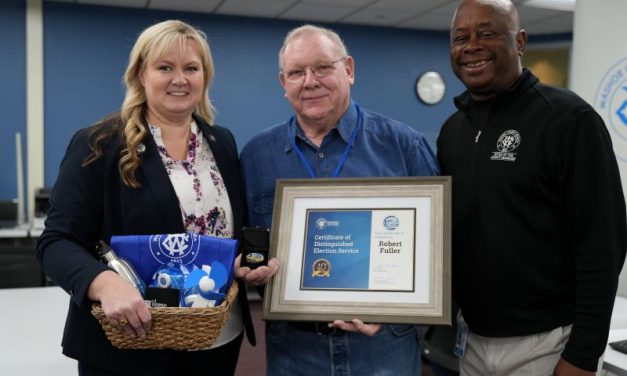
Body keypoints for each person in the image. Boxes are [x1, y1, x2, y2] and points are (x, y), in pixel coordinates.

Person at [37, 20, 258, 376]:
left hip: (216, 339)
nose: (180, 79)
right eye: (165, 67)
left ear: (205, 76)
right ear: (141, 74)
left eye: (191, 68)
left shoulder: (222, 142)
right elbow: (56, 242)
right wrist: (103, 283)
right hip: (131, 344)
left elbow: (230, 232)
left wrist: (245, 261)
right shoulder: (99, 144)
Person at [437, 1, 627, 375]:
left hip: (550, 344)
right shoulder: (451, 132)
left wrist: (583, 355)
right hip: (471, 341)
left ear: (520, 41)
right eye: (461, 38)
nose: (472, 45)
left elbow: (603, 245)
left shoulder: (570, 120)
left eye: (487, 33)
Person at [238, 24, 440, 375]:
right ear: (283, 83)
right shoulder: (257, 155)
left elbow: (440, 248)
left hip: (381, 347)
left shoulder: (402, 146)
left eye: (322, 67)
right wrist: (247, 267)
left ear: (348, 69)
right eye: (297, 72)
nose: (310, 81)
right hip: (294, 350)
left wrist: (397, 313)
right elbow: (245, 240)